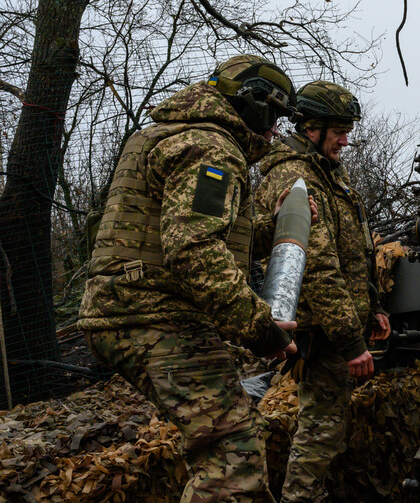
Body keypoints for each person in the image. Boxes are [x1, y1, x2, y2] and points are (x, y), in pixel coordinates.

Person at [80, 54, 301, 503]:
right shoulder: (211, 148)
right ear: (254, 105)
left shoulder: (170, 134)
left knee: (223, 439)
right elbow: (193, 250)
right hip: (155, 316)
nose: (276, 130)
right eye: (274, 116)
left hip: (128, 310)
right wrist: (260, 329)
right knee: (231, 453)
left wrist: (271, 226)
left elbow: (193, 232)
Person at [254, 80, 390, 503]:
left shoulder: (328, 172)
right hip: (325, 332)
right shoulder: (296, 176)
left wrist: (373, 311)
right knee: (320, 433)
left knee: (327, 429)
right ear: (312, 129)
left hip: (339, 323)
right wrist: (351, 341)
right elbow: (316, 267)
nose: (346, 140)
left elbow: (353, 250)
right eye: (339, 132)